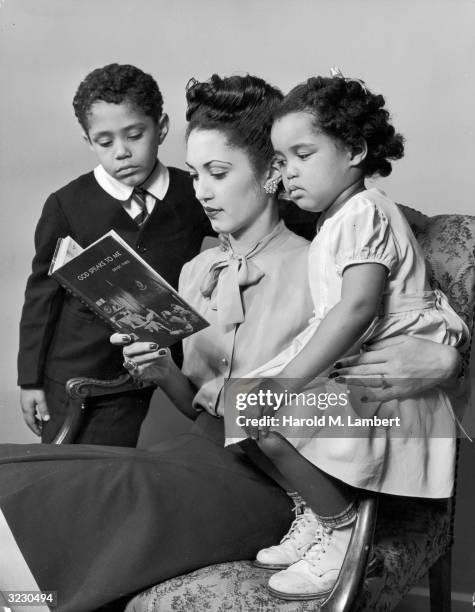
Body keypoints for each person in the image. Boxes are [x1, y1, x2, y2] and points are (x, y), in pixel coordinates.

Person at [0, 74, 462, 612]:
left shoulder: (319, 267)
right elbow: (202, 405)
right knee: (24, 470)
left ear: (271, 174)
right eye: (195, 174)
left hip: (272, 483)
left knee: (92, 489)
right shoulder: (197, 270)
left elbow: (387, 343)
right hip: (190, 456)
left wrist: (449, 360)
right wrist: (162, 372)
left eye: (217, 173)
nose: (200, 190)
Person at [219, 71, 469, 600]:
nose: (288, 174)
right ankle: (315, 512)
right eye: (281, 161)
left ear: (355, 149)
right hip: (359, 368)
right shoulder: (335, 219)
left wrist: (287, 383)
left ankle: (341, 532)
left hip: (387, 384)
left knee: (268, 417)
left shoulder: (365, 211)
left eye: (303, 155)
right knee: (243, 408)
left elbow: (355, 310)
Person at [17, 63, 212, 446]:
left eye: (135, 135)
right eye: (105, 143)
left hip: (156, 368)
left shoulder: (195, 192)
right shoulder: (66, 204)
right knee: (74, 476)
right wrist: (30, 380)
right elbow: (41, 295)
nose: (121, 152)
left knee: (123, 476)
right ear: (89, 142)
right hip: (75, 371)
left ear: (162, 127)